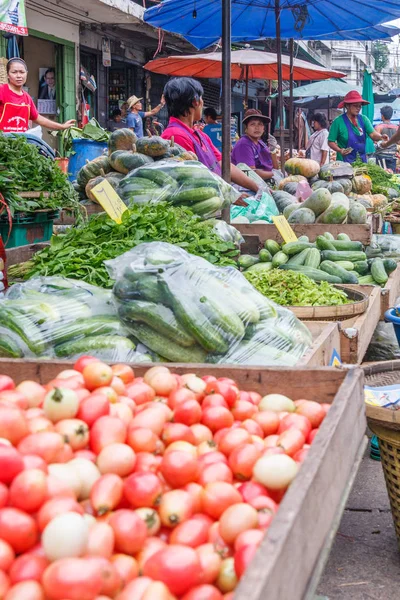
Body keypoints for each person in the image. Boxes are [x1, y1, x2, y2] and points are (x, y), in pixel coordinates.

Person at [161, 77, 260, 194]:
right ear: (195, 101)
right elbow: (191, 181)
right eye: (202, 98)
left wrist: (258, 188)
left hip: (219, 197)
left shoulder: (200, 135)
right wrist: (231, 195)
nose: (203, 104)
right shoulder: (175, 136)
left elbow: (224, 165)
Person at [0, 58, 75, 133]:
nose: (19, 76)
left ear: (26, 73)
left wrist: (61, 126)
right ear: (8, 75)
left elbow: (38, 118)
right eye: (14, 72)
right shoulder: (2, 91)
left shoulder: (27, 98)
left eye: (22, 72)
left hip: (20, 141)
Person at [328, 90, 387, 163]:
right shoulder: (338, 122)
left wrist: (381, 137)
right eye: (355, 106)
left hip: (361, 163)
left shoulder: (364, 119)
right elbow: (330, 142)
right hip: (344, 163)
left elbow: (372, 134)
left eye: (359, 106)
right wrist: (340, 150)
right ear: (347, 106)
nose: (358, 108)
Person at [231, 109, 279, 182]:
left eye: (260, 124)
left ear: (263, 129)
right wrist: (274, 174)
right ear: (246, 129)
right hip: (251, 186)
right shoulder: (244, 144)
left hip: (268, 181)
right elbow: (251, 174)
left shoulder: (260, 143)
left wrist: (273, 151)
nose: (257, 127)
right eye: (252, 124)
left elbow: (275, 168)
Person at [374, 106, 398, 172]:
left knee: (381, 176)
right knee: (392, 176)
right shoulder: (396, 128)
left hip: (381, 156)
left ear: (382, 116)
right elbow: (398, 142)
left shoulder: (378, 127)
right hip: (392, 156)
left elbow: (375, 141)